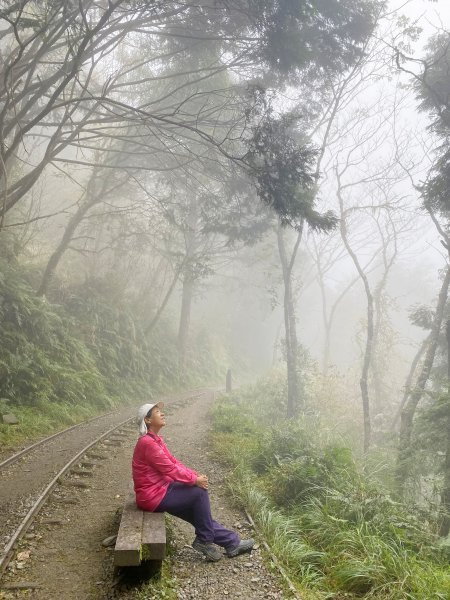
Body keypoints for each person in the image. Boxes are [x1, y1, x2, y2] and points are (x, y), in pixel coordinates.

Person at [132, 402, 255, 562]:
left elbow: (174, 462)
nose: (162, 413)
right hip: (153, 496)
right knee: (198, 493)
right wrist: (195, 481)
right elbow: (170, 469)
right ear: (147, 420)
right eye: (157, 412)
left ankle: (232, 543)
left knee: (201, 516)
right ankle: (204, 540)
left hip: (161, 489)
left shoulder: (155, 440)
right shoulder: (147, 443)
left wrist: (193, 475)